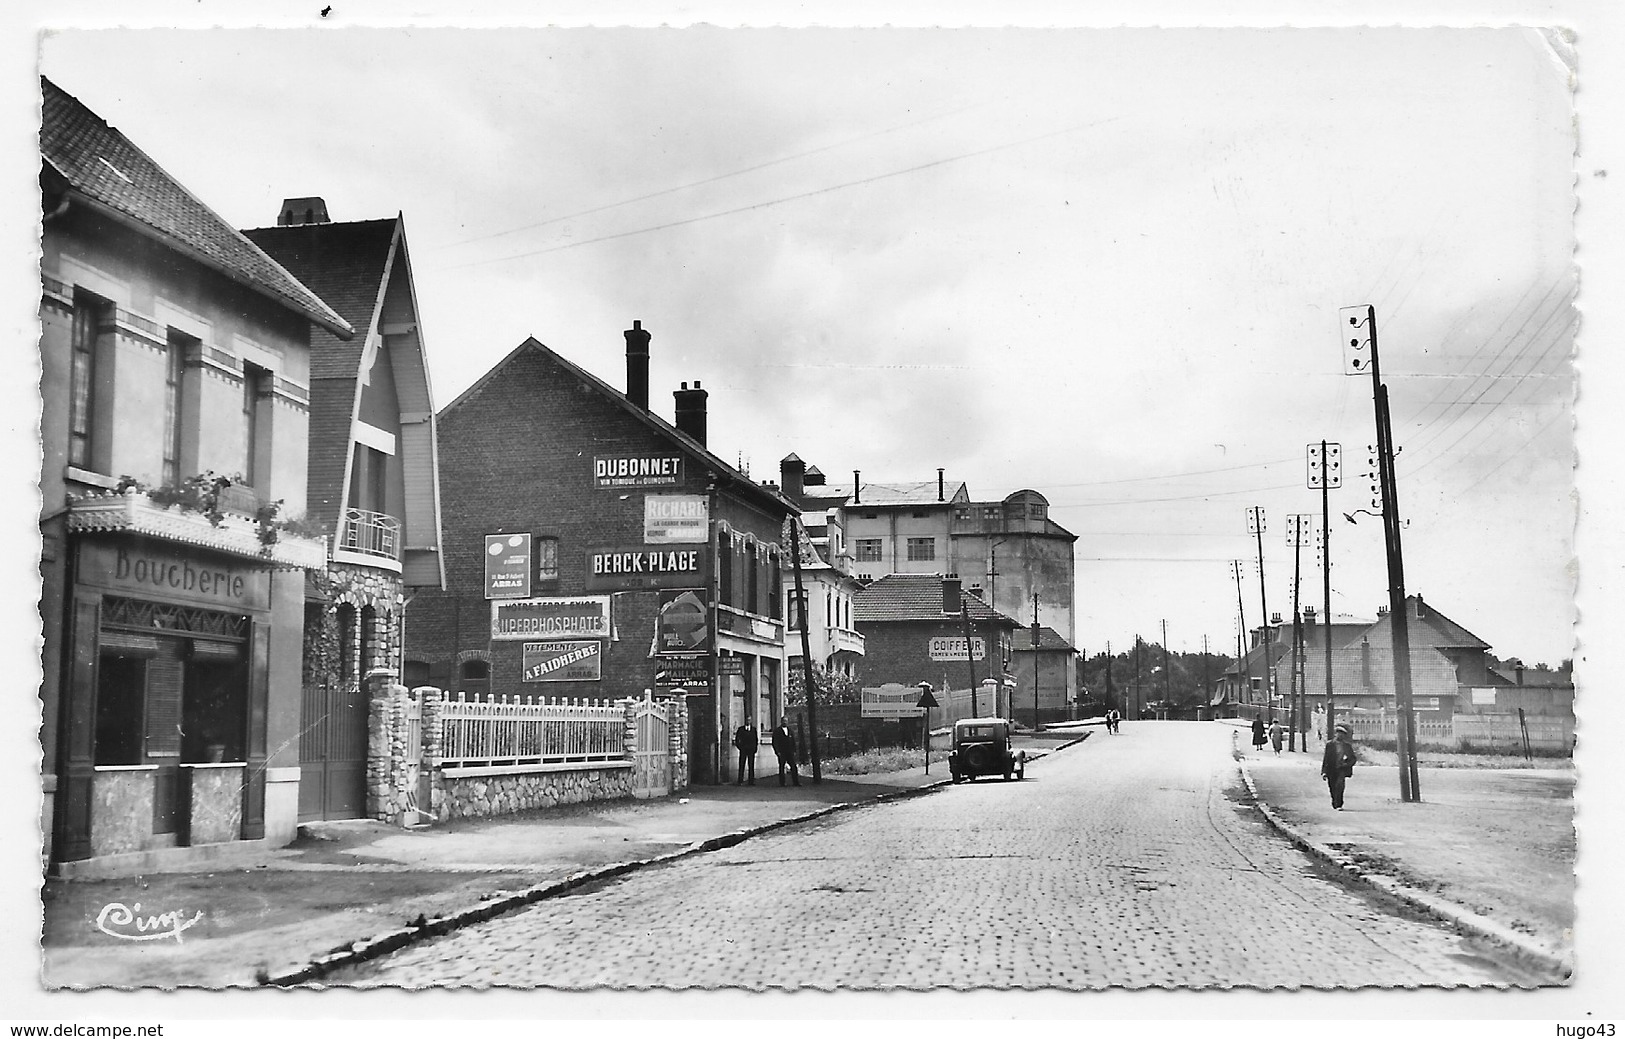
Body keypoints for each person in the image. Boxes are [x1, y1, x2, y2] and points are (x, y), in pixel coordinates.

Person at [1321, 723, 1357, 810]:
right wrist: (1324, 772)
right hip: (1331, 769)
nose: (1340, 735)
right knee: (1332, 786)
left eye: (1342, 734)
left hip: (1341, 769)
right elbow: (1326, 758)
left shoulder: (1347, 746)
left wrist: (1346, 764)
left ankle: (1339, 804)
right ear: (1335, 733)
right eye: (1338, 733)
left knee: (1340, 786)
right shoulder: (1330, 745)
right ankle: (1334, 801)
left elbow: (1353, 758)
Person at [771, 719, 801, 787]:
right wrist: (777, 751)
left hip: (790, 752)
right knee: (781, 767)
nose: (785, 722)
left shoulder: (790, 731)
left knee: (793, 767)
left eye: (786, 721)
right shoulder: (777, 731)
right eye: (784, 721)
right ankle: (782, 783)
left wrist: (794, 750)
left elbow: (793, 741)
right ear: (781, 721)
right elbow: (775, 742)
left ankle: (796, 782)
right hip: (781, 752)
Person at [732, 721, 758, 786]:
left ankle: (751, 781)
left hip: (751, 750)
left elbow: (755, 740)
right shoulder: (741, 729)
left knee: (751, 765)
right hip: (743, 750)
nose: (748, 722)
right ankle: (740, 780)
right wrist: (740, 747)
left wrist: (755, 748)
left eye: (749, 720)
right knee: (741, 765)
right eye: (747, 720)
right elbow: (737, 739)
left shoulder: (753, 730)